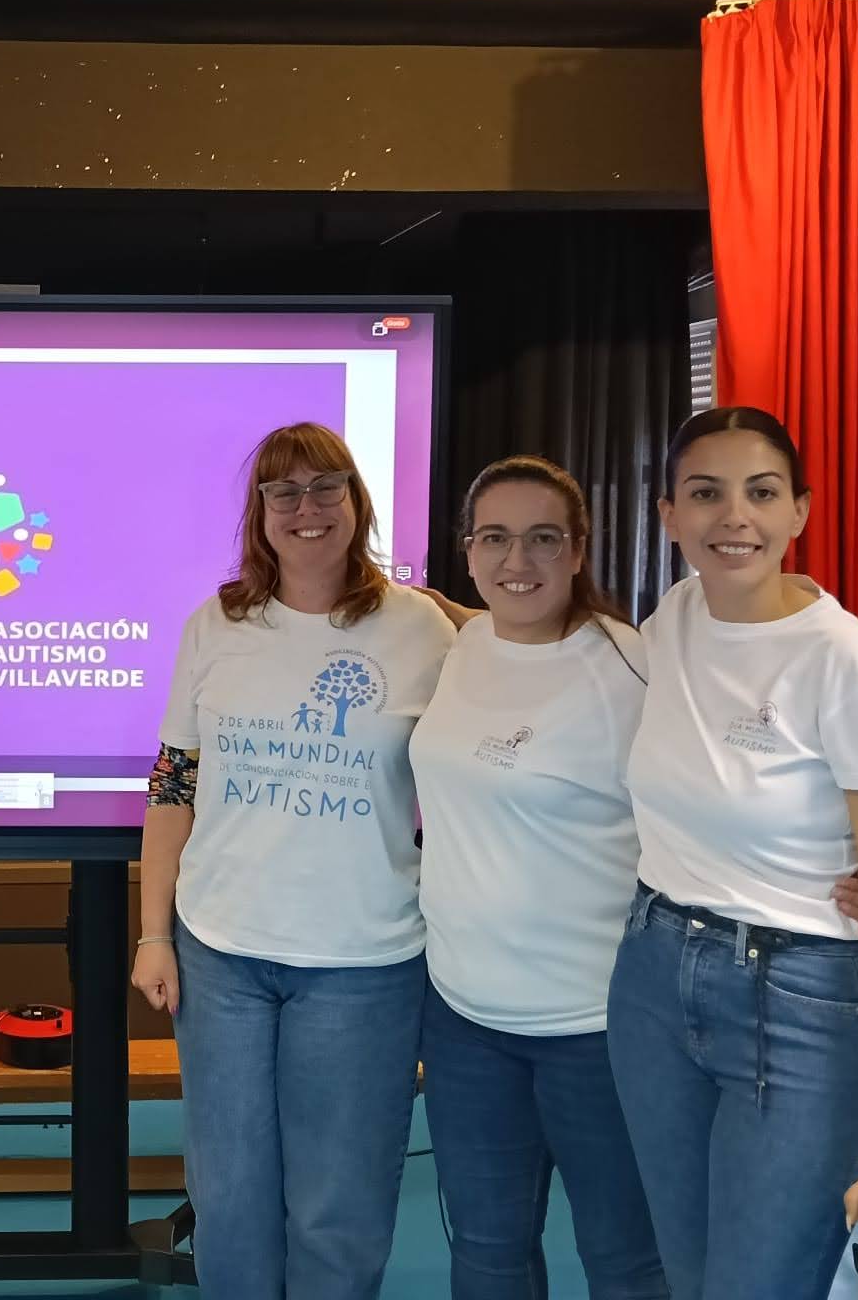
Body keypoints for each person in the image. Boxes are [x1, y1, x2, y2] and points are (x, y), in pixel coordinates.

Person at [605, 406, 858, 1300]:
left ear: (799, 510)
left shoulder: (848, 667)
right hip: (652, 979)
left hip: (800, 1001)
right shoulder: (676, 616)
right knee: (692, 1278)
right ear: (668, 515)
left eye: (762, 493)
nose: (735, 517)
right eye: (706, 494)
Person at [130, 421, 456, 1299]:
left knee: (338, 1204)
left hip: (364, 962)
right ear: (260, 511)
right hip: (221, 954)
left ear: (356, 501)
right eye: (283, 491)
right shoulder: (217, 624)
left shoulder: (423, 629)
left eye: (325, 487)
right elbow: (172, 784)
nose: (306, 508)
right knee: (229, 1196)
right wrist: (153, 935)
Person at [409, 456, 669, 1299]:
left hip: (596, 1030)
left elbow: (726, 783)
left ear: (579, 549)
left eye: (543, 539)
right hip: (463, 1022)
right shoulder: (460, 643)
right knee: (487, 1254)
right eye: (495, 538)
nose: (517, 561)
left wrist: (847, 864)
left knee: (627, 1262)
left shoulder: (630, 667)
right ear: (468, 550)